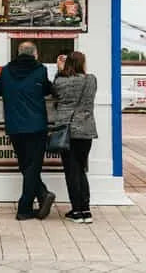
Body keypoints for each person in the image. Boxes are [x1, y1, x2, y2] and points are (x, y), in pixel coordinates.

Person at [0, 41, 56, 220]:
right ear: (35, 53)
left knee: (25, 166)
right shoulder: (40, 70)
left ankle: (42, 195)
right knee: (32, 167)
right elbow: (47, 90)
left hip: (14, 126)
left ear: (18, 53)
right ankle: (24, 208)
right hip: (36, 126)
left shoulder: (6, 70)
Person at [51, 51, 97, 224]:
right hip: (86, 130)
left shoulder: (61, 81)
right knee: (81, 169)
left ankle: (76, 211)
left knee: (72, 171)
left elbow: (55, 92)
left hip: (67, 130)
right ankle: (86, 210)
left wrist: (59, 70)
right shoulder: (91, 79)